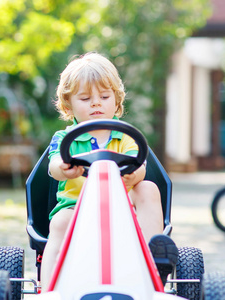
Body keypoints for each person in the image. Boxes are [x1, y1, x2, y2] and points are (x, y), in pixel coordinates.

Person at [41, 52, 178, 291]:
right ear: (68, 105)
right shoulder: (64, 139)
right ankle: (50, 287)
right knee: (60, 223)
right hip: (76, 208)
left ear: (116, 101)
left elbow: (140, 167)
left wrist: (133, 175)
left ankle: (151, 261)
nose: (96, 103)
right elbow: (53, 167)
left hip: (122, 208)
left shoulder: (126, 136)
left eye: (104, 96)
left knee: (147, 187)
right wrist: (64, 168)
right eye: (85, 98)